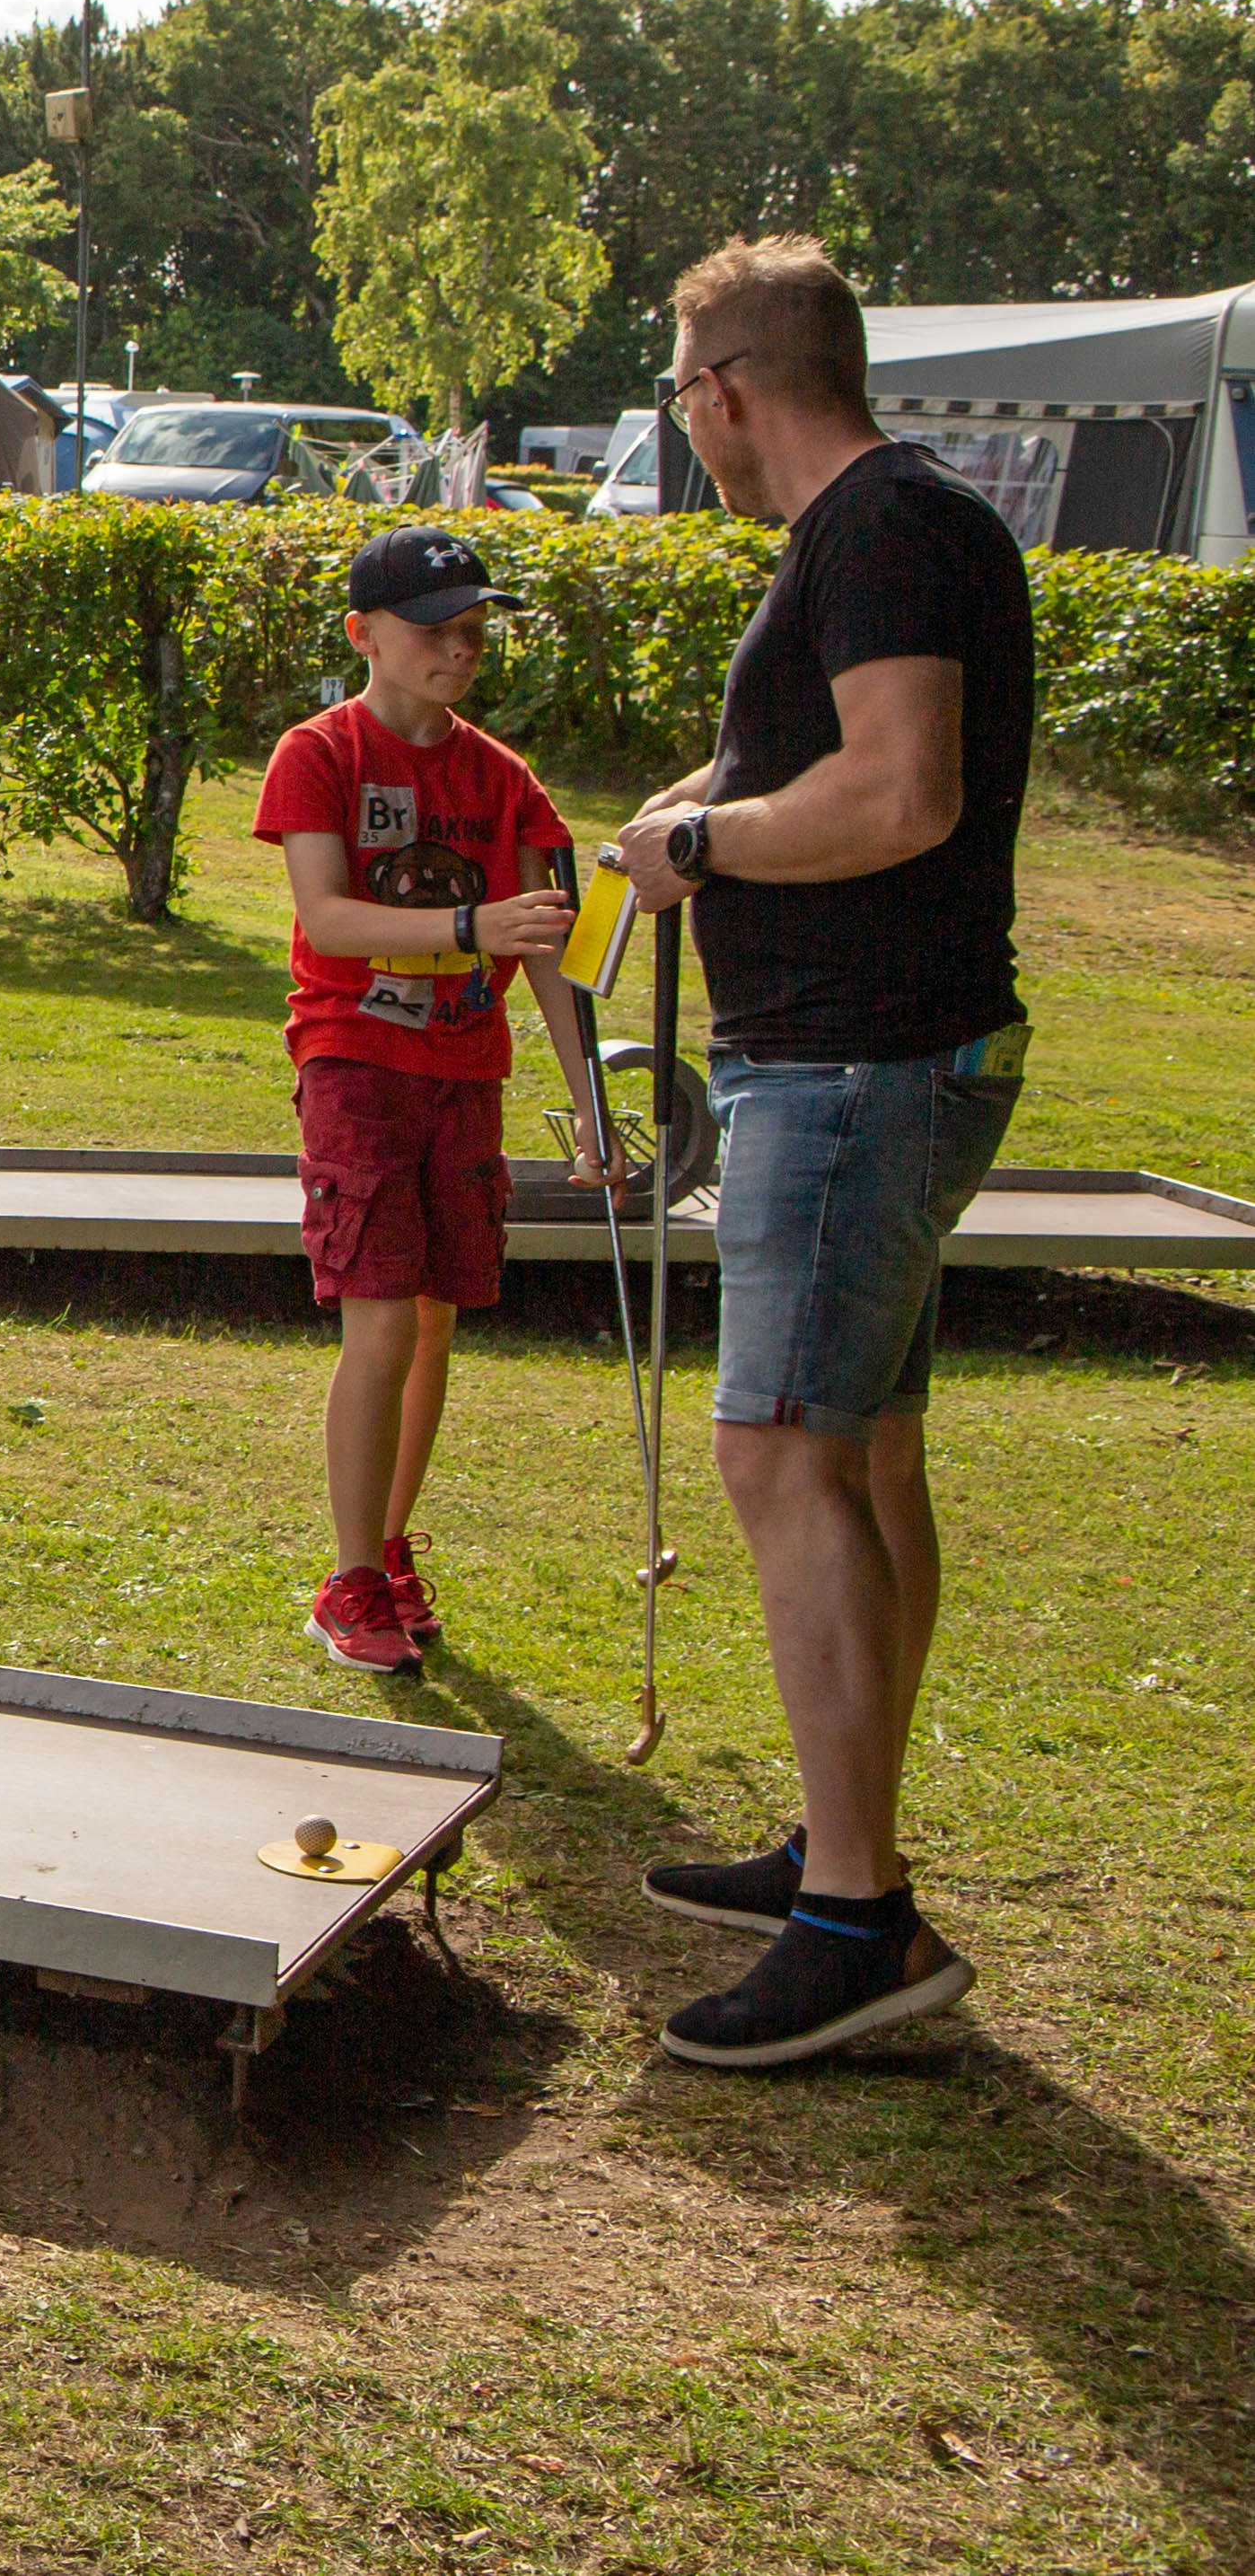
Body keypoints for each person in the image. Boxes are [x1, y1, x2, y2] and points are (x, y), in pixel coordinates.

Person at [616, 235, 1030, 2070]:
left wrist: (698, 858)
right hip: (873, 1055)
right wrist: (699, 799)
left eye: (676, 388)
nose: (680, 418)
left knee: (775, 1453)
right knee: (853, 1454)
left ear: (722, 387)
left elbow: (895, 790)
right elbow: (823, 755)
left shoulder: (871, 530)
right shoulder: (880, 527)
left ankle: (853, 1917)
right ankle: (835, 1836)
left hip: (849, 1065)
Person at [254, 523, 604, 1675]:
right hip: (354, 1059)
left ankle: (389, 1546)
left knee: (438, 1320)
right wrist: (466, 928)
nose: (459, 650)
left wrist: (591, 1102)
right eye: (433, 630)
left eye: (472, 630)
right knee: (384, 1314)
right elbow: (328, 919)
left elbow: (551, 950)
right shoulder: (320, 752)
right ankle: (346, 1578)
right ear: (362, 633)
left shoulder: (503, 779)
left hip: (465, 1072)